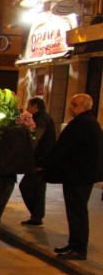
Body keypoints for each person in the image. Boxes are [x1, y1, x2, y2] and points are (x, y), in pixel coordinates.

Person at [43, 93, 102, 260]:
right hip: (79, 175)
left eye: (74, 105)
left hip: (79, 176)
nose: (70, 108)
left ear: (85, 106)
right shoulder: (87, 122)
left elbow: (64, 148)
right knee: (75, 211)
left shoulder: (83, 124)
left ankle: (78, 248)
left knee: (77, 212)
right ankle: (74, 244)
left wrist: (45, 163)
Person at [18, 97, 56, 227]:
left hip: (40, 160)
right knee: (39, 189)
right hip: (44, 159)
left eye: (29, 105)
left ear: (35, 106)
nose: (27, 108)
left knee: (26, 186)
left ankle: (36, 214)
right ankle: (37, 216)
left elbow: (35, 138)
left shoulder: (41, 119)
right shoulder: (44, 117)